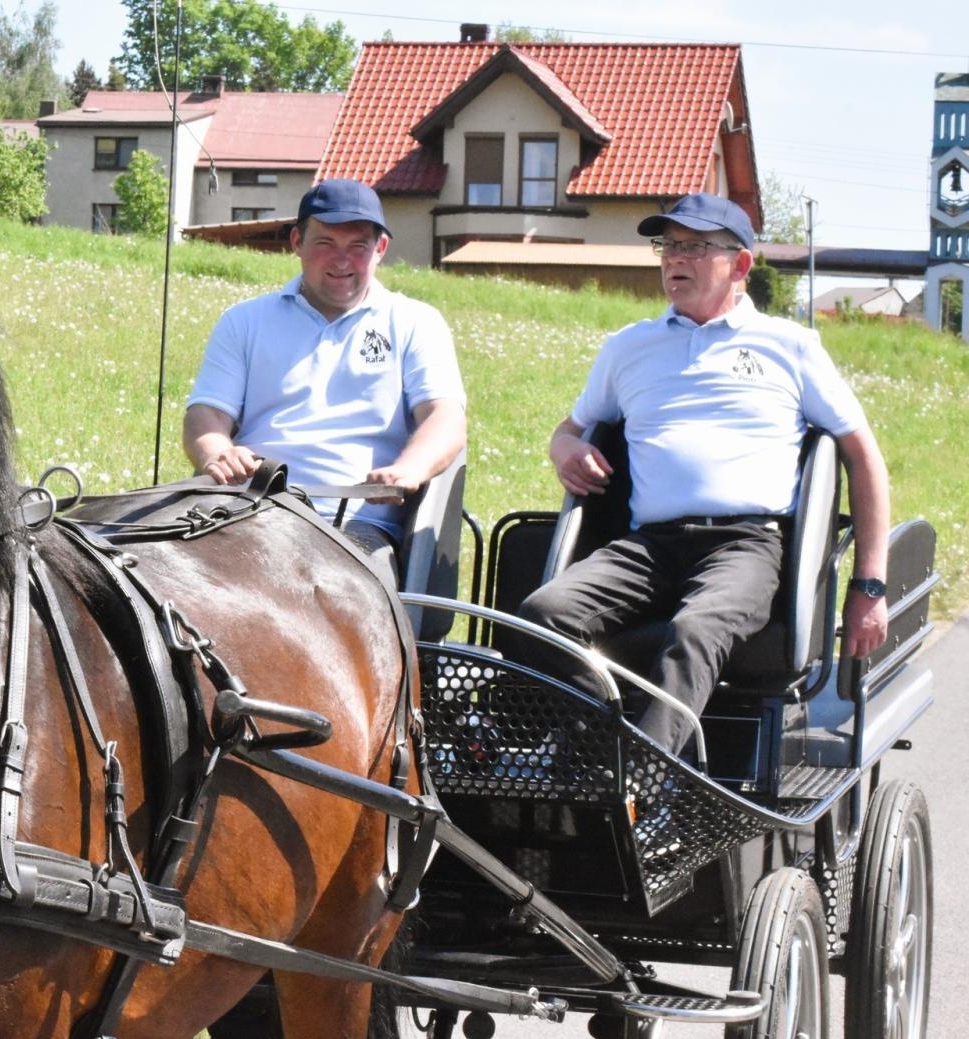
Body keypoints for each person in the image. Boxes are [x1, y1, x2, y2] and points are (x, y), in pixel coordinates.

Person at [517, 192, 891, 754]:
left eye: (693, 247)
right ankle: (600, 751)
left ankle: (647, 780)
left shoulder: (790, 346)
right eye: (667, 246)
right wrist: (564, 448)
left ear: (740, 265)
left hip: (746, 546)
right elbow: (567, 430)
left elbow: (863, 457)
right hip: (648, 547)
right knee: (541, 614)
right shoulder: (628, 348)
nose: (674, 260)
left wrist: (869, 586)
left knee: (694, 630)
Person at [181, 179, 467, 578]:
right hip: (247, 507)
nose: (341, 261)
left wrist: (411, 467)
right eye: (325, 244)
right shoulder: (244, 321)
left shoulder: (415, 323)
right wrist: (216, 451)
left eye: (358, 247)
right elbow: (207, 413)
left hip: (354, 524)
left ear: (380, 249)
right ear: (297, 241)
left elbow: (446, 419)